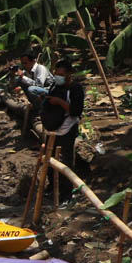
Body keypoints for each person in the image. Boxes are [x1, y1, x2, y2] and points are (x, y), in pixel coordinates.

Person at [40, 58, 84, 196]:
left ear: (69, 74)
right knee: (49, 159)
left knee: (66, 162)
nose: (58, 77)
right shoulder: (55, 86)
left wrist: (59, 102)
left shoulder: (75, 89)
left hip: (67, 129)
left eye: (61, 74)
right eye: (56, 74)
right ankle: (52, 187)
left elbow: (76, 111)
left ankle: (66, 193)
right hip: (53, 129)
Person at [12, 50, 53, 114]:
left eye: (25, 63)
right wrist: (13, 75)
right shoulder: (27, 71)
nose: (24, 65)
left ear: (33, 61)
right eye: (22, 63)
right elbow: (13, 85)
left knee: (31, 89)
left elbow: (39, 85)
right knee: (22, 82)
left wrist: (23, 77)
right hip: (42, 94)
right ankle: (36, 107)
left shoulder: (40, 68)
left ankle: (41, 109)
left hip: (51, 93)